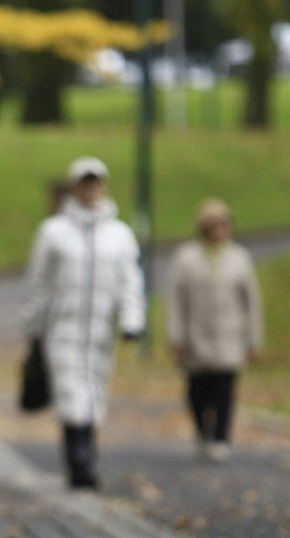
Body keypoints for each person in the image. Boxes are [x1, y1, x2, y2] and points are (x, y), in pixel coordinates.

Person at [23, 157, 145, 489]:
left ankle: (85, 454)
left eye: (96, 182)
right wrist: (33, 325)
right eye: (85, 182)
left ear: (103, 186)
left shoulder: (120, 235)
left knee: (94, 391)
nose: (91, 189)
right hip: (62, 327)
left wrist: (132, 320)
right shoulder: (53, 232)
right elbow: (39, 282)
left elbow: (130, 281)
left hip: (101, 330)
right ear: (75, 187)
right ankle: (80, 462)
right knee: (70, 392)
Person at [166, 198, 263, 463]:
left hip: (229, 336)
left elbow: (251, 301)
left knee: (224, 391)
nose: (219, 229)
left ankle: (221, 437)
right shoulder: (186, 258)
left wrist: (253, 339)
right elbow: (176, 299)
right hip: (196, 336)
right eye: (213, 225)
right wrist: (176, 335)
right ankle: (202, 431)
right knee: (197, 391)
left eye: (224, 224)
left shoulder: (239, 258)